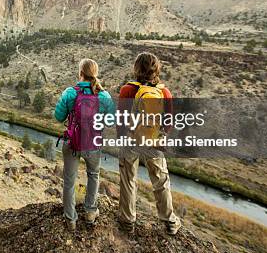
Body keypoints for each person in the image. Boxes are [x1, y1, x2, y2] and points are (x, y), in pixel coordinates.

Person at [117, 52, 182, 235]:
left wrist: (122, 139)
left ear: (136, 68)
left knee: (128, 180)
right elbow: (169, 122)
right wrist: (161, 136)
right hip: (154, 142)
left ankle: (127, 221)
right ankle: (169, 222)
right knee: (161, 181)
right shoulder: (164, 92)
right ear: (156, 69)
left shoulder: (127, 90)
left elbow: (121, 120)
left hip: (131, 141)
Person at [54, 58, 115, 230]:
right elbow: (112, 121)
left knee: (69, 180)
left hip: (72, 142)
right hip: (93, 143)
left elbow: (58, 117)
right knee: (93, 175)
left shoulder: (70, 93)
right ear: (95, 74)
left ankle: (70, 218)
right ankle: (90, 212)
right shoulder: (103, 95)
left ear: (80, 73)